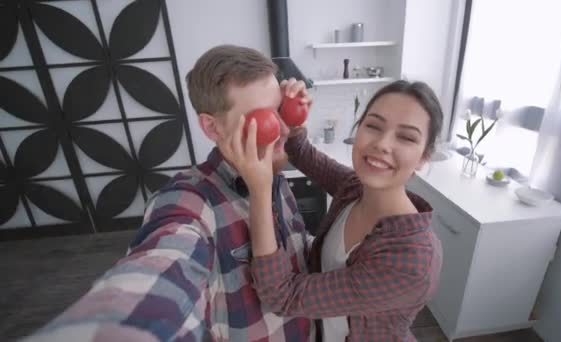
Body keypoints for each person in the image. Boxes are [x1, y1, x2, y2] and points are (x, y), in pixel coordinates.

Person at [24, 45, 315, 341]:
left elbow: (298, 254)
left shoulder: (273, 175)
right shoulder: (189, 202)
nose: (283, 129)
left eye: (280, 109)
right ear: (212, 128)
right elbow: (164, 268)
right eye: (262, 119)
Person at [220, 79, 444, 341]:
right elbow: (302, 152)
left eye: (406, 137)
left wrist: (260, 191)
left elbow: (282, 295)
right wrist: (289, 110)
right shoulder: (355, 189)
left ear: (424, 157)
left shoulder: (412, 261)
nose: (383, 144)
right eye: (373, 126)